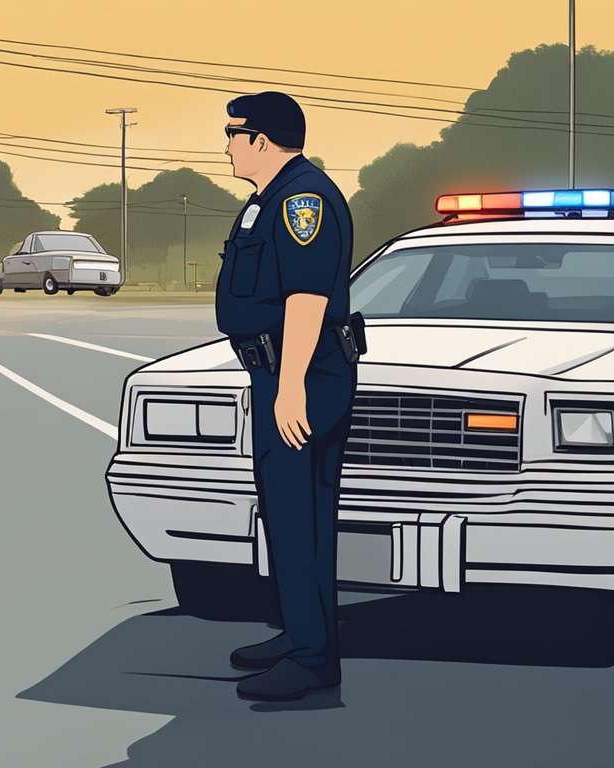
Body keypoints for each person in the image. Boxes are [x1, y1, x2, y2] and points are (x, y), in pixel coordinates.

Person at [215, 91, 357, 700]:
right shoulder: (266, 199)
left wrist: (291, 386)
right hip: (277, 372)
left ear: (261, 141)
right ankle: (298, 631)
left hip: (303, 373)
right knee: (283, 509)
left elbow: (306, 300)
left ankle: (313, 656)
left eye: (234, 135)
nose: (227, 146)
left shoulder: (303, 199)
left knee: (301, 514)